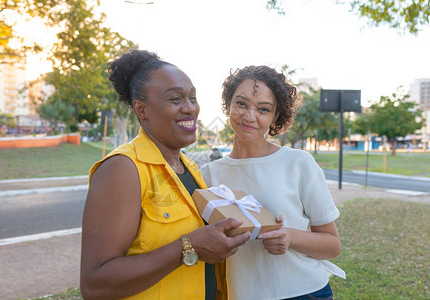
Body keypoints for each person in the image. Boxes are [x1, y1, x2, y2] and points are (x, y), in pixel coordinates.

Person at [80, 49, 250, 300]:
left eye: (193, 98)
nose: (190, 108)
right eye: (175, 99)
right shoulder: (123, 169)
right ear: (141, 109)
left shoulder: (190, 168)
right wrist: (189, 247)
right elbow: (95, 285)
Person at [200, 65, 345, 300]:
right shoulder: (207, 174)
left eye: (263, 109)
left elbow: (332, 245)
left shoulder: (298, 163)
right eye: (241, 103)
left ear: (275, 116)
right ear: (228, 105)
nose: (249, 116)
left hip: (303, 292)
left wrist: (289, 235)